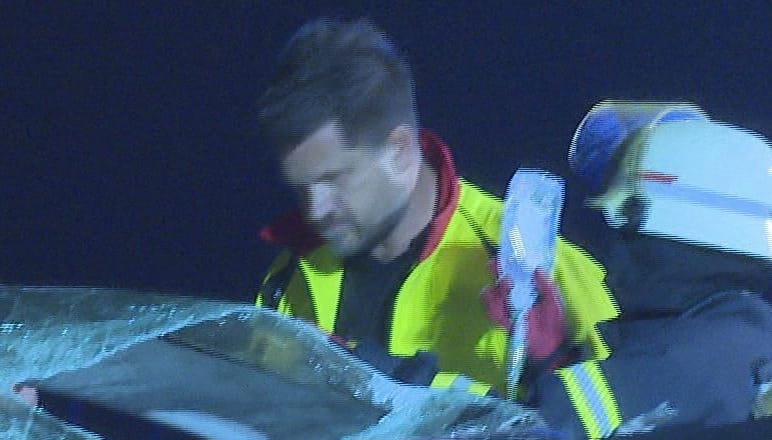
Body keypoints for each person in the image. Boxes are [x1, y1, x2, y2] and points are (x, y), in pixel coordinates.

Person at [253, 17, 619, 397]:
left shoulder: (543, 272)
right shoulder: (288, 279)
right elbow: (242, 439)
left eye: (334, 179)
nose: (315, 209)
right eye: (302, 186)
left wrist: (555, 365)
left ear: (398, 150)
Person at [527, 105, 772, 439]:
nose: (612, 257)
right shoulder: (743, 340)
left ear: (672, 231)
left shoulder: (683, 362)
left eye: (626, 232)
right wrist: (553, 355)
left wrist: (431, 389)